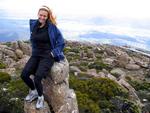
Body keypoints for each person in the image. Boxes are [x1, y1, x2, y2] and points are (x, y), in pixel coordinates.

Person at [21, 5, 65, 109]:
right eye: (41, 15)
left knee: (37, 78)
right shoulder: (34, 24)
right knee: (24, 75)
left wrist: (54, 53)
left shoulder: (52, 27)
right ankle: (34, 91)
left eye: (45, 16)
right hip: (36, 54)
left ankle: (40, 97)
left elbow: (61, 42)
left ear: (48, 16)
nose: (42, 17)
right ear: (38, 14)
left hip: (47, 55)